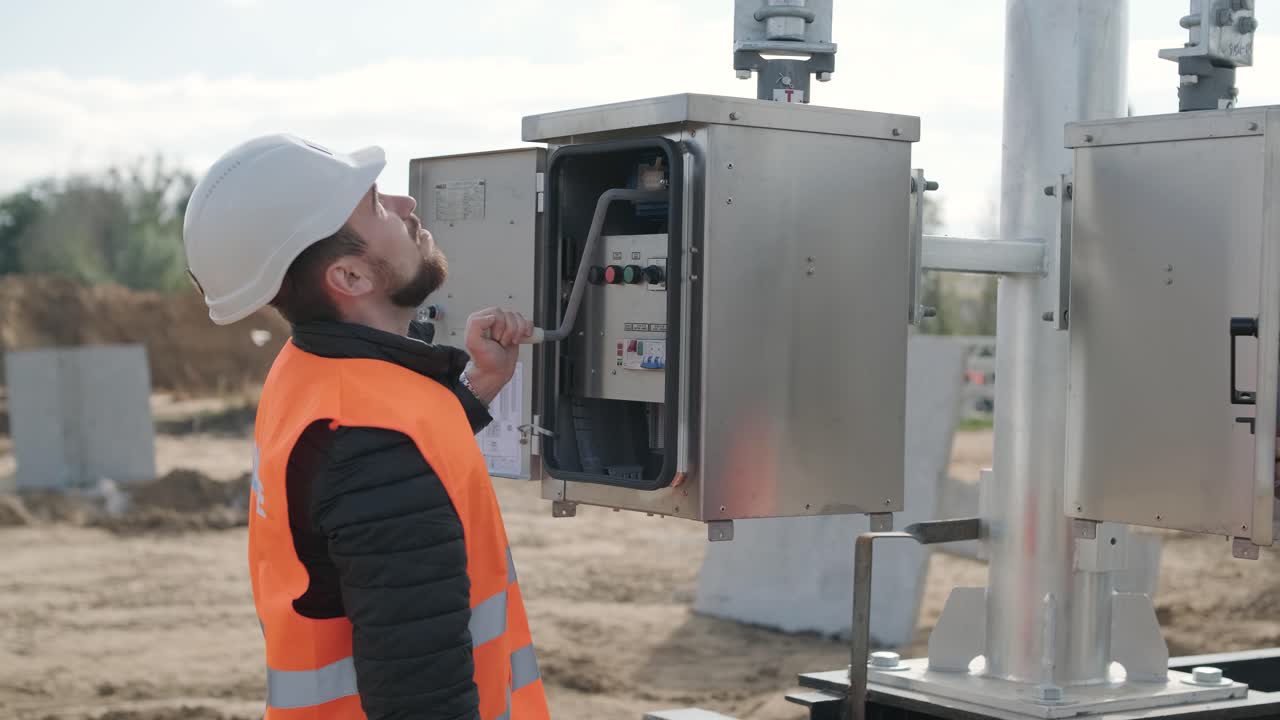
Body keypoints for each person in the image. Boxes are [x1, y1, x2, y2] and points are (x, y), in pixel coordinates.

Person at [182, 134, 549, 720]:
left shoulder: (312, 373)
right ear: (350, 277)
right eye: (377, 206)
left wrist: (480, 386)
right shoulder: (370, 443)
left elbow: (392, 471)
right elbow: (420, 697)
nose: (407, 205)